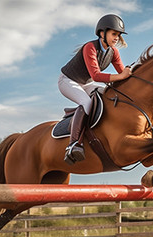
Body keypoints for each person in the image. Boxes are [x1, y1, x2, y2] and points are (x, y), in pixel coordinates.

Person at [59, 14, 132, 164]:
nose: (116, 38)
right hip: (68, 81)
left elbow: (122, 73)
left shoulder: (113, 52)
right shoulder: (90, 47)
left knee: (107, 96)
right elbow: (97, 76)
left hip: (86, 83)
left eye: (118, 35)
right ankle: (73, 144)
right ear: (102, 33)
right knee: (86, 103)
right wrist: (122, 76)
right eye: (114, 34)